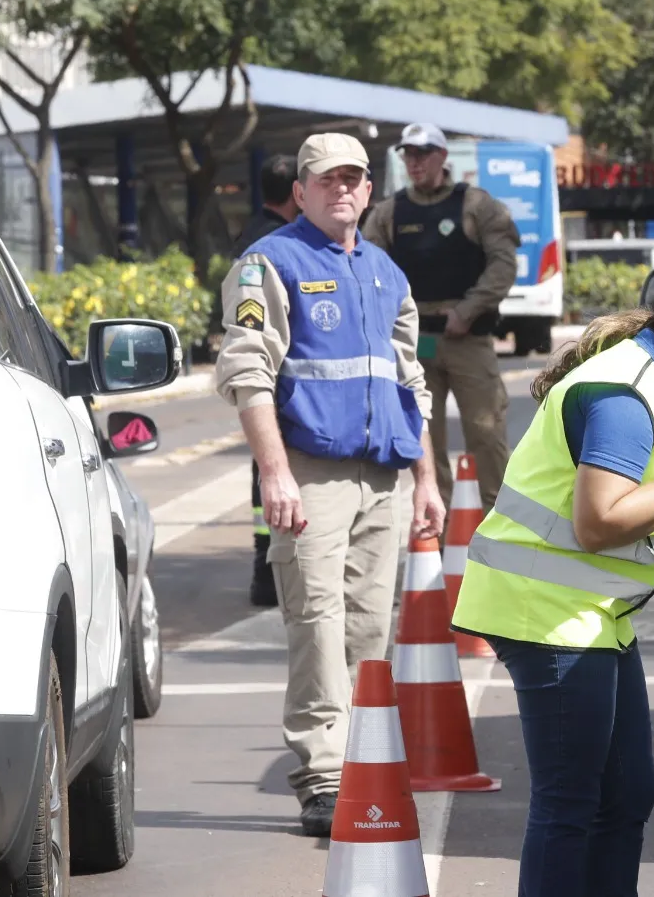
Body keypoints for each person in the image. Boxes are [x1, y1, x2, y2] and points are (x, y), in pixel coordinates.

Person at [449, 257, 654, 897]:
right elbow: (599, 522)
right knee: (571, 800)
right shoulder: (627, 395)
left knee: (627, 790)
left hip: (589, 614)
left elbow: (627, 509)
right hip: (546, 613)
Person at [214, 133, 446, 837]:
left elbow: (411, 384)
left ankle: (361, 765)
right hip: (311, 475)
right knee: (316, 622)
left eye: (353, 179)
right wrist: (275, 472)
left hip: (384, 479)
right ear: (303, 191)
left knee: (370, 628)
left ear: (369, 189)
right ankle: (322, 777)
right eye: (326, 180)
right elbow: (248, 372)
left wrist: (426, 479)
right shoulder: (268, 263)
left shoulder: (385, 273)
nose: (341, 190)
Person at [362, 122, 520, 514]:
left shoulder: (476, 205)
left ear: (442, 156)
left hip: (466, 337)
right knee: (423, 437)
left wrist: (468, 310)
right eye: (408, 155)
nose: (414, 162)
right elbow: (367, 269)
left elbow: (503, 265)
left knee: (486, 433)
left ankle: (498, 527)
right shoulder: (388, 212)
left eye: (422, 154)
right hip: (416, 343)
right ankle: (439, 526)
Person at [229, 154, 302, 608]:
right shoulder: (280, 244)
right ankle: (272, 569)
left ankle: (264, 568)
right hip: (282, 377)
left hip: (261, 377)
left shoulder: (248, 235)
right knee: (276, 472)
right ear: (297, 190)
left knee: (263, 474)